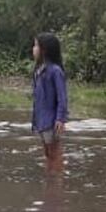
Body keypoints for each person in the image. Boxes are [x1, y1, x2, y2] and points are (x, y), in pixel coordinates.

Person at [32, 33, 69, 173]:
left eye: (36, 45)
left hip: (52, 120)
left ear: (44, 50)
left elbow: (62, 97)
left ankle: (56, 183)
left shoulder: (55, 71)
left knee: (55, 153)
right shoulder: (38, 71)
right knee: (47, 153)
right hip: (41, 120)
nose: (33, 49)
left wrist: (60, 118)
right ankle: (50, 179)